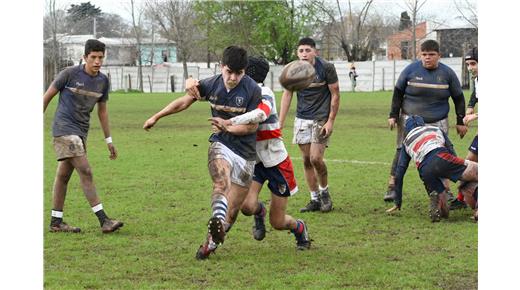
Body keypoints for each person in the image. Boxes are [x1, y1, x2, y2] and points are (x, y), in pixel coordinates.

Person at [143, 46, 262, 260]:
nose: (233, 78)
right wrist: (157, 116)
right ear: (221, 67)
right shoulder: (211, 84)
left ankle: (211, 242)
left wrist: (228, 126)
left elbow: (252, 127)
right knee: (220, 181)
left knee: (233, 211)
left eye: (239, 73)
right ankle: (216, 217)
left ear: (244, 71)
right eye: (229, 72)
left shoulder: (252, 90)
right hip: (221, 144)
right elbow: (184, 101)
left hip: (245, 153)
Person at [211, 56, 311, 250]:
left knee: (278, 222)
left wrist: (230, 123)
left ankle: (300, 228)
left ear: (246, 72)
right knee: (246, 206)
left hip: (276, 163)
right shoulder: (240, 92)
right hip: (253, 161)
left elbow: (262, 113)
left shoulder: (263, 92)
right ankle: (258, 212)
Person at [43, 39, 124, 234]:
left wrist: (109, 140)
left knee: (63, 176)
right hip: (64, 130)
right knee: (86, 171)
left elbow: (102, 112)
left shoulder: (103, 81)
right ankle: (104, 220)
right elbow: (45, 98)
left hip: (81, 133)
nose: (97, 61)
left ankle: (56, 222)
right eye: (93, 57)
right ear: (85, 57)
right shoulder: (69, 74)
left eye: (100, 57)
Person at [383, 39, 468, 203]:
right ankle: (392, 187)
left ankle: (446, 191)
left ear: (439, 56)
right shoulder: (410, 70)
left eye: (431, 54)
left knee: (442, 154)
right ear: (420, 55)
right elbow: (398, 93)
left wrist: (460, 121)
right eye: (424, 54)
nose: (427, 58)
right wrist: (393, 115)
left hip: (438, 121)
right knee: (402, 151)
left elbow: (458, 97)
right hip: (410, 120)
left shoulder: (448, 74)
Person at [279, 37, 340, 213]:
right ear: (297, 53)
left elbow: (335, 94)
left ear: (315, 51)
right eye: (301, 51)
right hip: (302, 118)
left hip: (321, 118)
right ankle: (314, 199)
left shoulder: (326, 68)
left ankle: (325, 193)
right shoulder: (293, 70)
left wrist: (330, 121)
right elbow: (287, 96)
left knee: (316, 158)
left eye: (307, 50)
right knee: (306, 160)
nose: (304, 54)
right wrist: (280, 124)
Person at [386, 116, 478, 222]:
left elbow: (400, 171)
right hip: (441, 157)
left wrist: (398, 201)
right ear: (423, 124)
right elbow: (450, 148)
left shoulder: (406, 141)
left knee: (445, 213)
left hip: (425, 170)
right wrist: (456, 169)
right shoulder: (435, 129)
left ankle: (439, 203)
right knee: (475, 174)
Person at [451, 47, 479, 214]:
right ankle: (462, 198)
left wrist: (474, 115)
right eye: (468, 64)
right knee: (470, 162)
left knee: (469, 163)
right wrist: (470, 106)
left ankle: (463, 199)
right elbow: (476, 93)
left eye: (473, 63)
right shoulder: (478, 78)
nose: (470, 68)